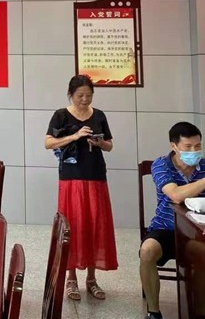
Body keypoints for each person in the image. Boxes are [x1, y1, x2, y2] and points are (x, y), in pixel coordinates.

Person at [138, 121, 205, 319]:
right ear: (174, 146)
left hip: (197, 231)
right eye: (188, 146)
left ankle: (199, 312)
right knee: (147, 251)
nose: (194, 151)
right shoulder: (161, 164)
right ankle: (154, 312)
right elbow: (175, 195)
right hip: (166, 227)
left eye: (198, 146)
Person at [44, 75, 117, 302]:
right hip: (71, 178)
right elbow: (48, 142)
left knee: (95, 225)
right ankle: (71, 277)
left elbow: (110, 145)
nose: (84, 99)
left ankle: (92, 279)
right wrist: (75, 136)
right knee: (73, 225)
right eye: (80, 96)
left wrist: (99, 142)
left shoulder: (99, 115)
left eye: (89, 95)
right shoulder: (61, 115)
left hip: (96, 176)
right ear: (71, 94)